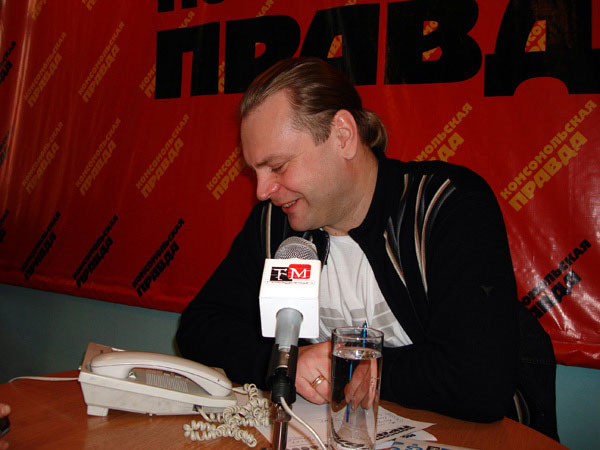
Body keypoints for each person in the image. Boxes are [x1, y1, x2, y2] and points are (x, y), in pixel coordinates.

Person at [177, 57, 556, 435]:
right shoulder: (276, 224)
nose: (262, 191)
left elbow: (479, 382)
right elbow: (198, 327)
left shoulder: (446, 206)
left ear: (342, 136)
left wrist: (345, 366)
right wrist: (285, 362)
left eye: (276, 167)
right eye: (255, 172)